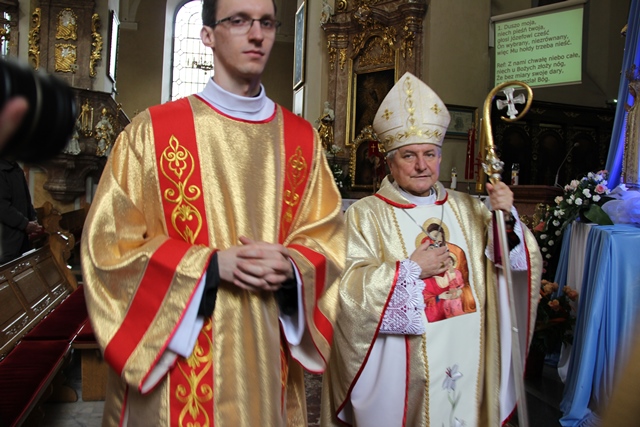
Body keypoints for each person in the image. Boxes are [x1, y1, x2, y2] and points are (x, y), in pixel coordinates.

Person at [80, 0, 345, 425]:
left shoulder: (302, 142)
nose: (256, 34)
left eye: (266, 22)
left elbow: (328, 242)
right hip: (176, 367)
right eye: (239, 20)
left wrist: (293, 268)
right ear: (207, 35)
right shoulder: (151, 133)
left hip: (263, 359)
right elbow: (108, 249)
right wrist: (209, 267)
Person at [321, 72, 542, 427]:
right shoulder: (365, 214)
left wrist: (505, 218)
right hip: (402, 360)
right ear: (389, 162)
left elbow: (512, 263)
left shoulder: (468, 207)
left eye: (430, 154)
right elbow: (346, 291)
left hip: (468, 344)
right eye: (409, 155)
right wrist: (409, 271)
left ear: (440, 157)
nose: (421, 165)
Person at [0, 155, 43, 264]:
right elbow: (3, 207)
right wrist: (24, 224)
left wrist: (33, 217)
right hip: (6, 239)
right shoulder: (2, 170)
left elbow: (25, 199)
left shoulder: (15, 168)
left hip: (20, 236)